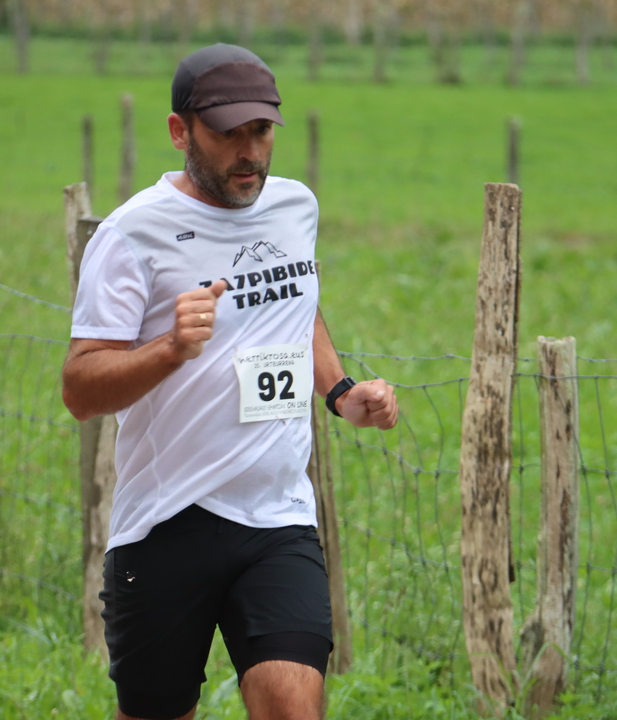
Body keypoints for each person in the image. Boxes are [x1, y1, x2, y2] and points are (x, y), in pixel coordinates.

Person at [61, 43, 398, 720]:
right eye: (227, 134)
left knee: (292, 704)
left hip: (277, 516)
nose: (249, 152)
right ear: (179, 131)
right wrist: (169, 349)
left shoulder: (295, 207)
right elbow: (80, 389)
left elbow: (296, 303)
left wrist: (340, 392)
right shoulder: (132, 234)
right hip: (165, 522)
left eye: (261, 131)